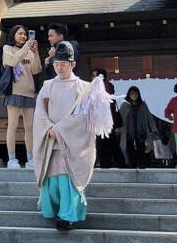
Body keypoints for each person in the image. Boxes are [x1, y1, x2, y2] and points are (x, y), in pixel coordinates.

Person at [32, 41, 114, 231]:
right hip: (50, 140)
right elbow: (39, 112)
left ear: (73, 64)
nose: (59, 67)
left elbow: (83, 118)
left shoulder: (83, 88)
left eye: (64, 64)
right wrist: (48, 127)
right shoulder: (48, 85)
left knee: (68, 181)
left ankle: (68, 216)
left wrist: (59, 129)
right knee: (51, 181)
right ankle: (55, 212)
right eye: (56, 64)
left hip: (71, 143)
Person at [0, 25, 42, 169]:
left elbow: (36, 70)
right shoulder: (7, 48)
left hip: (29, 92)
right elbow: (12, 62)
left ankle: (31, 158)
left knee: (29, 127)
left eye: (25, 34)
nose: (23, 36)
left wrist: (35, 53)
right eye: (20, 34)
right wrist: (26, 49)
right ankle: (12, 159)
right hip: (14, 90)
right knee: (13, 125)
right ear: (13, 35)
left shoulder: (29, 51)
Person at [116, 86, 159, 168]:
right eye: (132, 93)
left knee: (142, 150)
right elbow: (120, 119)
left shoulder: (143, 105)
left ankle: (141, 167)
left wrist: (153, 129)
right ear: (129, 94)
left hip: (141, 132)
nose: (134, 95)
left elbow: (149, 118)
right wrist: (118, 129)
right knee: (130, 151)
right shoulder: (125, 105)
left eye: (136, 93)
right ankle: (132, 167)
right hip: (128, 133)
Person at [92, 69, 120, 169]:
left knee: (104, 145)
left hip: (104, 120)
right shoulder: (104, 86)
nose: (92, 78)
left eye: (94, 76)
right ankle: (117, 164)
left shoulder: (105, 86)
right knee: (110, 144)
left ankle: (107, 165)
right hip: (103, 120)